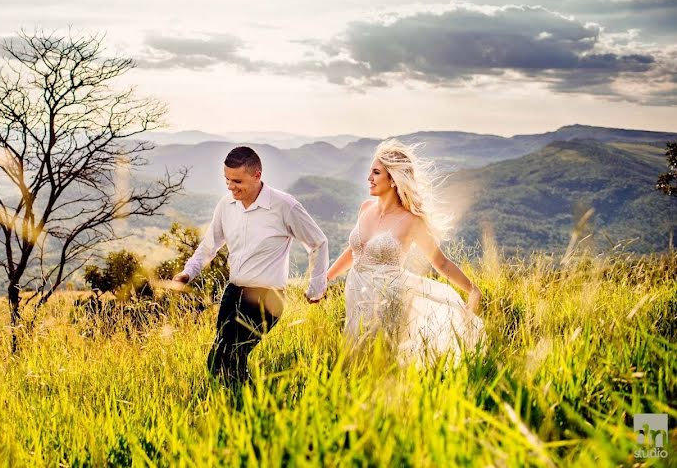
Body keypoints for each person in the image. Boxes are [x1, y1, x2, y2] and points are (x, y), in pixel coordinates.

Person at [173, 146, 329, 384]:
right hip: (232, 293)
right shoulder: (226, 205)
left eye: (237, 180)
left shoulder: (284, 206)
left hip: (266, 298)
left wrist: (316, 287)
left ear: (257, 175)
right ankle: (241, 407)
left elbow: (318, 242)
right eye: (226, 180)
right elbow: (210, 245)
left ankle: (250, 409)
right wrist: (188, 272)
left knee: (231, 356)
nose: (230, 186)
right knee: (219, 361)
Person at [326, 139, 483, 363]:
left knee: (382, 360)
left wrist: (473, 290)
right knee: (353, 359)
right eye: (370, 171)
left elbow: (442, 263)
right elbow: (355, 250)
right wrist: (326, 278)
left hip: (389, 302)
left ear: (393, 180)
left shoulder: (412, 221)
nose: (369, 178)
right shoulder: (365, 208)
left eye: (376, 173)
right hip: (356, 296)